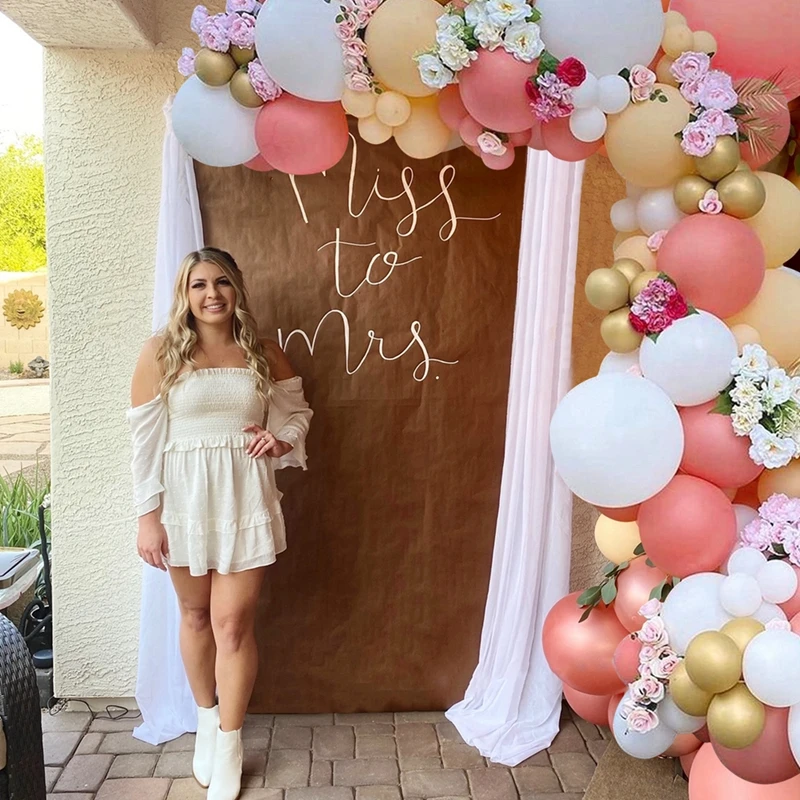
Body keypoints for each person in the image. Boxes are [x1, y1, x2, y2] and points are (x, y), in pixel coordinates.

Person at [128, 247, 312, 800]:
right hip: (183, 503)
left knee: (231, 625)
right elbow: (144, 443)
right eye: (199, 285)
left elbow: (298, 414)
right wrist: (148, 517)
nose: (212, 294)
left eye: (222, 283)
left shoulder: (264, 352)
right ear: (185, 295)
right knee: (194, 616)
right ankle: (206, 721)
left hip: (243, 500)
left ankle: (230, 744)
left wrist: (281, 440)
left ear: (237, 289)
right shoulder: (160, 352)